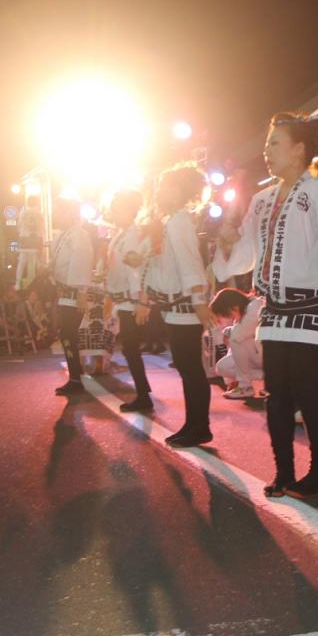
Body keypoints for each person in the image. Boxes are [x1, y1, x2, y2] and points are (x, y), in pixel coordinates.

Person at [213, 109, 318, 498]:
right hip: (276, 312)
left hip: (312, 309)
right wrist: (230, 240)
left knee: (307, 391)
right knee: (277, 394)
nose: (266, 151)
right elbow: (248, 251)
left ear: (299, 149)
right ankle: (284, 472)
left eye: (274, 143)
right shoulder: (263, 200)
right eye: (267, 143)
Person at [138, 164, 217, 447]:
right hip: (176, 305)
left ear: (177, 190)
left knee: (190, 366)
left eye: (164, 187)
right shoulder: (173, 220)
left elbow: (190, 262)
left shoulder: (179, 221)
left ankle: (200, 426)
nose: (159, 193)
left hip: (185, 305)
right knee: (186, 366)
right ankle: (193, 424)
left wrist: (198, 300)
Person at [106, 190, 153, 412]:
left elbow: (137, 268)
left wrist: (140, 301)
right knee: (130, 349)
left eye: (116, 207)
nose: (113, 212)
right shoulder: (122, 234)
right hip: (124, 299)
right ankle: (143, 393)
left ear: (127, 210)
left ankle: (144, 395)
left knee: (131, 348)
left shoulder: (133, 234)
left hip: (131, 300)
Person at [50, 197, 94, 395]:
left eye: (60, 210)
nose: (57, 214)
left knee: (69, 334)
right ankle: (75, 376)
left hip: (75, 293)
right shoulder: (63, 235)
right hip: (64, 292)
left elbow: (82, 262)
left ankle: (76, 378)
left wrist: (82, 292)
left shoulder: (79, 235)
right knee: (66, 335)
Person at [209, 287, 264, 398]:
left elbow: (236, 337)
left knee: (235, 338)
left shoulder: (256, 306)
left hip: (269, 356)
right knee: (222, 367)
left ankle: (245, 386)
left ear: (233, 307)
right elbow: (234, 348)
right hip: (259, 356)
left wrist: (227, 331)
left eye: (226, 314)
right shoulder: (243, 311)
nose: (229, 317)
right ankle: (272, 377)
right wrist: (231, 381)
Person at [16, 195, 45, 291]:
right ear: (37, 203)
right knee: (39, 262)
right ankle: (43, 281)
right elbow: (42, 229)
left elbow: (19, 226)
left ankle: (17, 284)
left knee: (22, 262)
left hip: (25, 239)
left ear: (28, 202)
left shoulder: (23, 213)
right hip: (36, 240)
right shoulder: (40, 213)